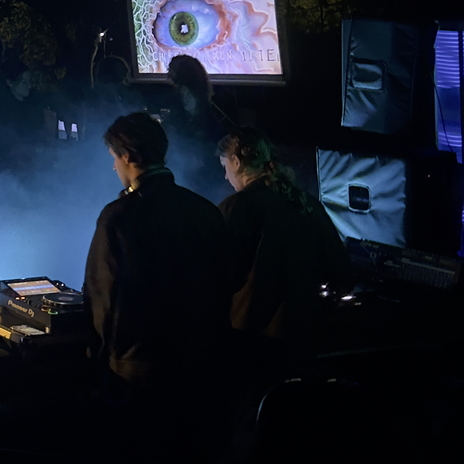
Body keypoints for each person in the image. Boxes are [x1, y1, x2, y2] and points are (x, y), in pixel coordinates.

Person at [83, 111, 233, 399]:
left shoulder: (119, 217)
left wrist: (100, 359)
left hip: (140, 371)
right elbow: (225, 282)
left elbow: (103, 296)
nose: (114, 167)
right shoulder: (205, 211)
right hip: (204, 367)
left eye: (114, 157)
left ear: (127, 156)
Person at [217, 126, 349, 352]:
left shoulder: (239, 207)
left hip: (252, 334)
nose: (225, 176)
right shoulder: (307, 203)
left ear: (236, 162)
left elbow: (220, 271)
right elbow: (340, 269)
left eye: (224, 166)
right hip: (305, 332)